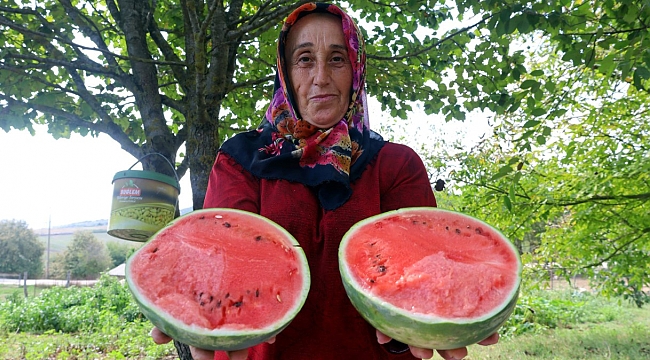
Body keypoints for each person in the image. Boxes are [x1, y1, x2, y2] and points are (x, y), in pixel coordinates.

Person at [151, 2, 499, 359]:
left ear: (356, 70)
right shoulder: (241, 160)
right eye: (304, 59)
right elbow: (223, 262)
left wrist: (450, 306)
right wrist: (184, 293)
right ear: (285, 73)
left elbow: (420, 274)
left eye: (337, 58)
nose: (321, 77)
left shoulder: (395, 165)